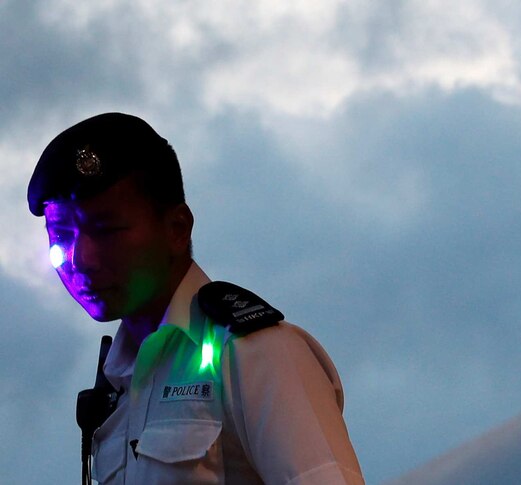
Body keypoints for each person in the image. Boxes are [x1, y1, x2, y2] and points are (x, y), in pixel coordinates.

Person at [27, 112, 365, 484]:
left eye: (107, 230)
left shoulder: (256, 353)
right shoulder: (116, 386)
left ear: (176, 229)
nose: (80, 259)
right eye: (61, 234)